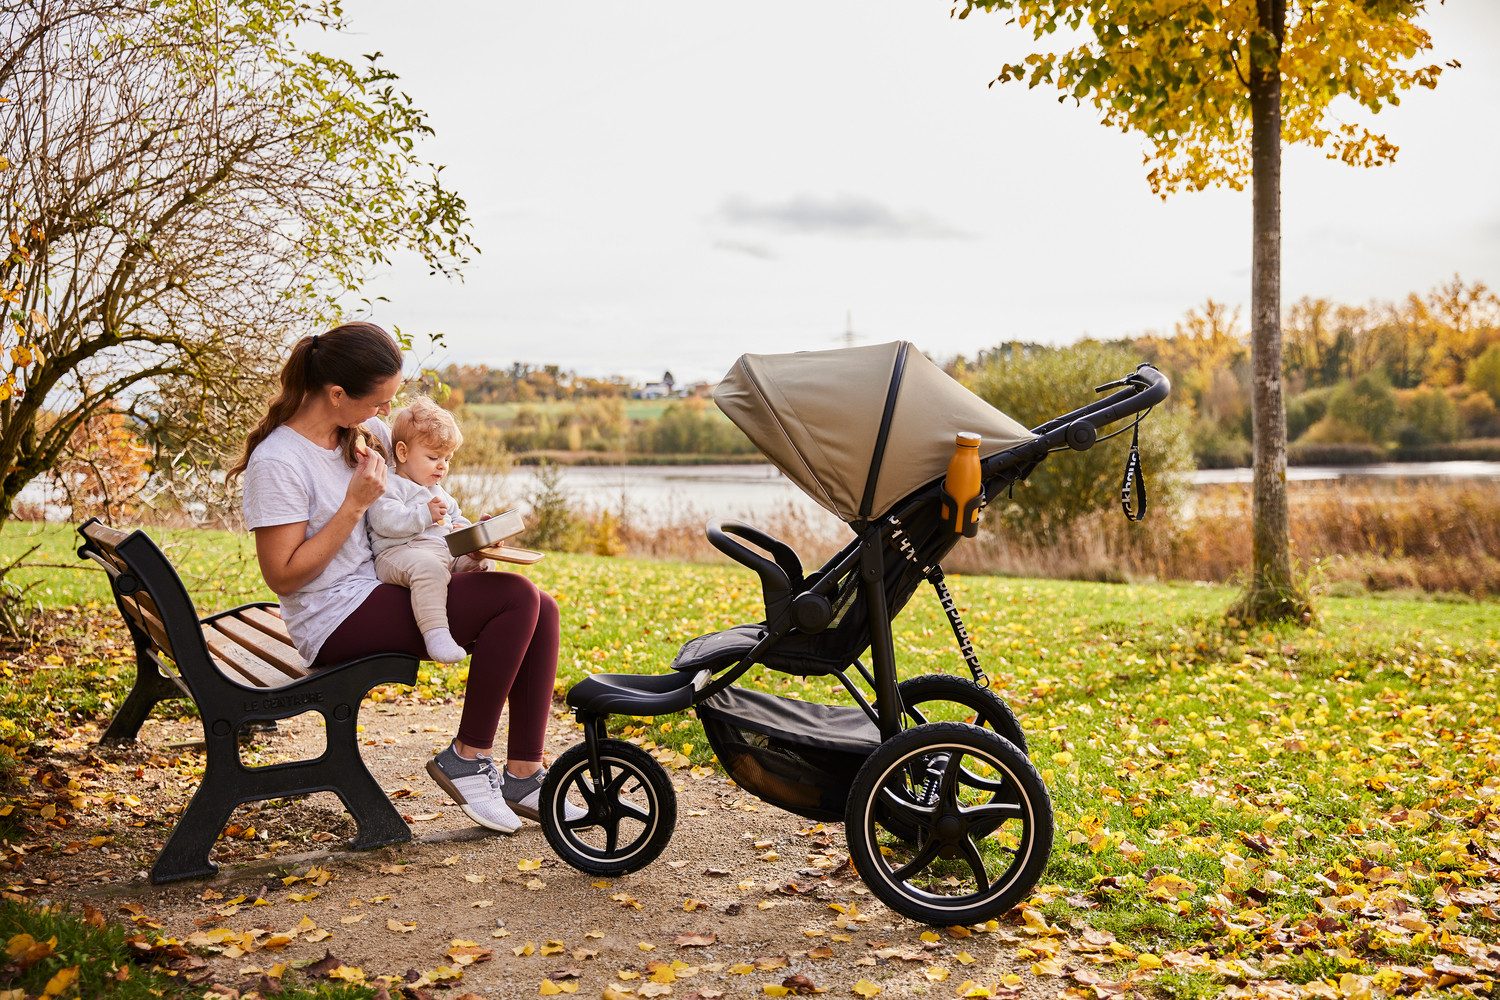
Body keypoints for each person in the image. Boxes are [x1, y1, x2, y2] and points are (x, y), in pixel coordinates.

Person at [231, 322, 575, 834]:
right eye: (380, 401)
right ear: (337, 394)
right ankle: (467, 756)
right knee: (516, 598)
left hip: (376, 584)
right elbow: (281, 576)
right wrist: (353, 506)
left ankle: (524, 772)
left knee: (541, 607)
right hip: (332, 616)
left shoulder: (357, 436)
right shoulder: (279, 461)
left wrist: (463, 533)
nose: (387, 413)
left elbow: (406, 489)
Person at [367, 397, 473, 664]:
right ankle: (436, 635)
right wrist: (424, 515)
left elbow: (456, 515)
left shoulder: (437, 491)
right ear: (402, 453)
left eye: (447, 458)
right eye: (433, 457)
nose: (442, 465)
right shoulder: (391, 484)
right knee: (429, 569)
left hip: (437, 551)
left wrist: (467, 530)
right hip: (398, 554)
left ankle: (478, 575)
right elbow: (384, 521)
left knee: (476, 559)